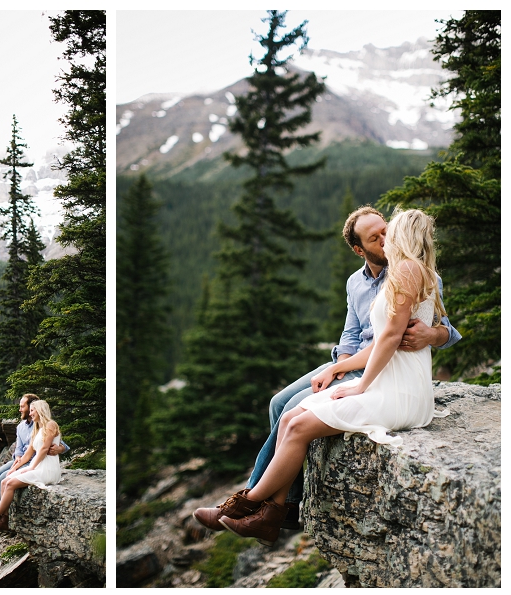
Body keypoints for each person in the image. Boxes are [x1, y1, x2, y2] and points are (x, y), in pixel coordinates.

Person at [193, 206, 460, 534]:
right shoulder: (356, 283)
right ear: (359, 249)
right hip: (355, 362)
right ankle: (280, 506)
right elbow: (351, 334)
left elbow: (435, 329)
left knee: (295, 412)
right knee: (280, 405)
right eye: (374, 237)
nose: (383, 239)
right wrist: (339, 368)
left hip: (382, 373)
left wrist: (430, 335)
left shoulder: (408, 272)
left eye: (386, 231)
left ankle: (255, 504)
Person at [0, 394, 67, 532]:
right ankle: (0, 514)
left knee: (5, 479)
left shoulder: (47, 425)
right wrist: (14, 467)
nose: (21, 410)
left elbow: (56, 444)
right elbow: (21, 452)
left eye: (23, 407)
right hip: (21, 460)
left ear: (35, 408)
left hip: (38, 462)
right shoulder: (23, 427)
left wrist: (60, 448)